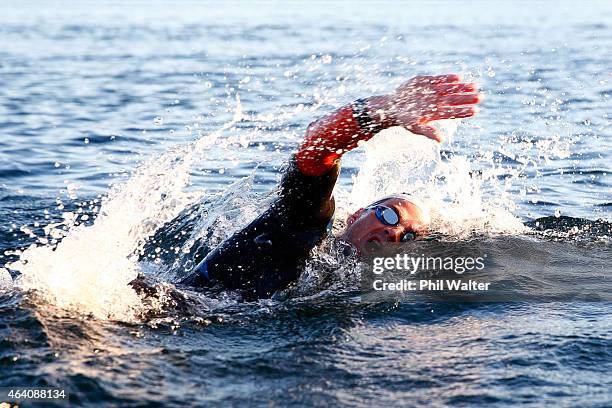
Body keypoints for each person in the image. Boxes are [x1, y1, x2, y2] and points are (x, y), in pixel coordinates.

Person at [179, 74, 482, 299]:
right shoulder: (306, 225)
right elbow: (317, 150)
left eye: (409, 236)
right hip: (162, 307)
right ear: (356, 215)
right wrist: (383, 111)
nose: (395, 232)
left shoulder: (349, 285)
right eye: (389, 216)